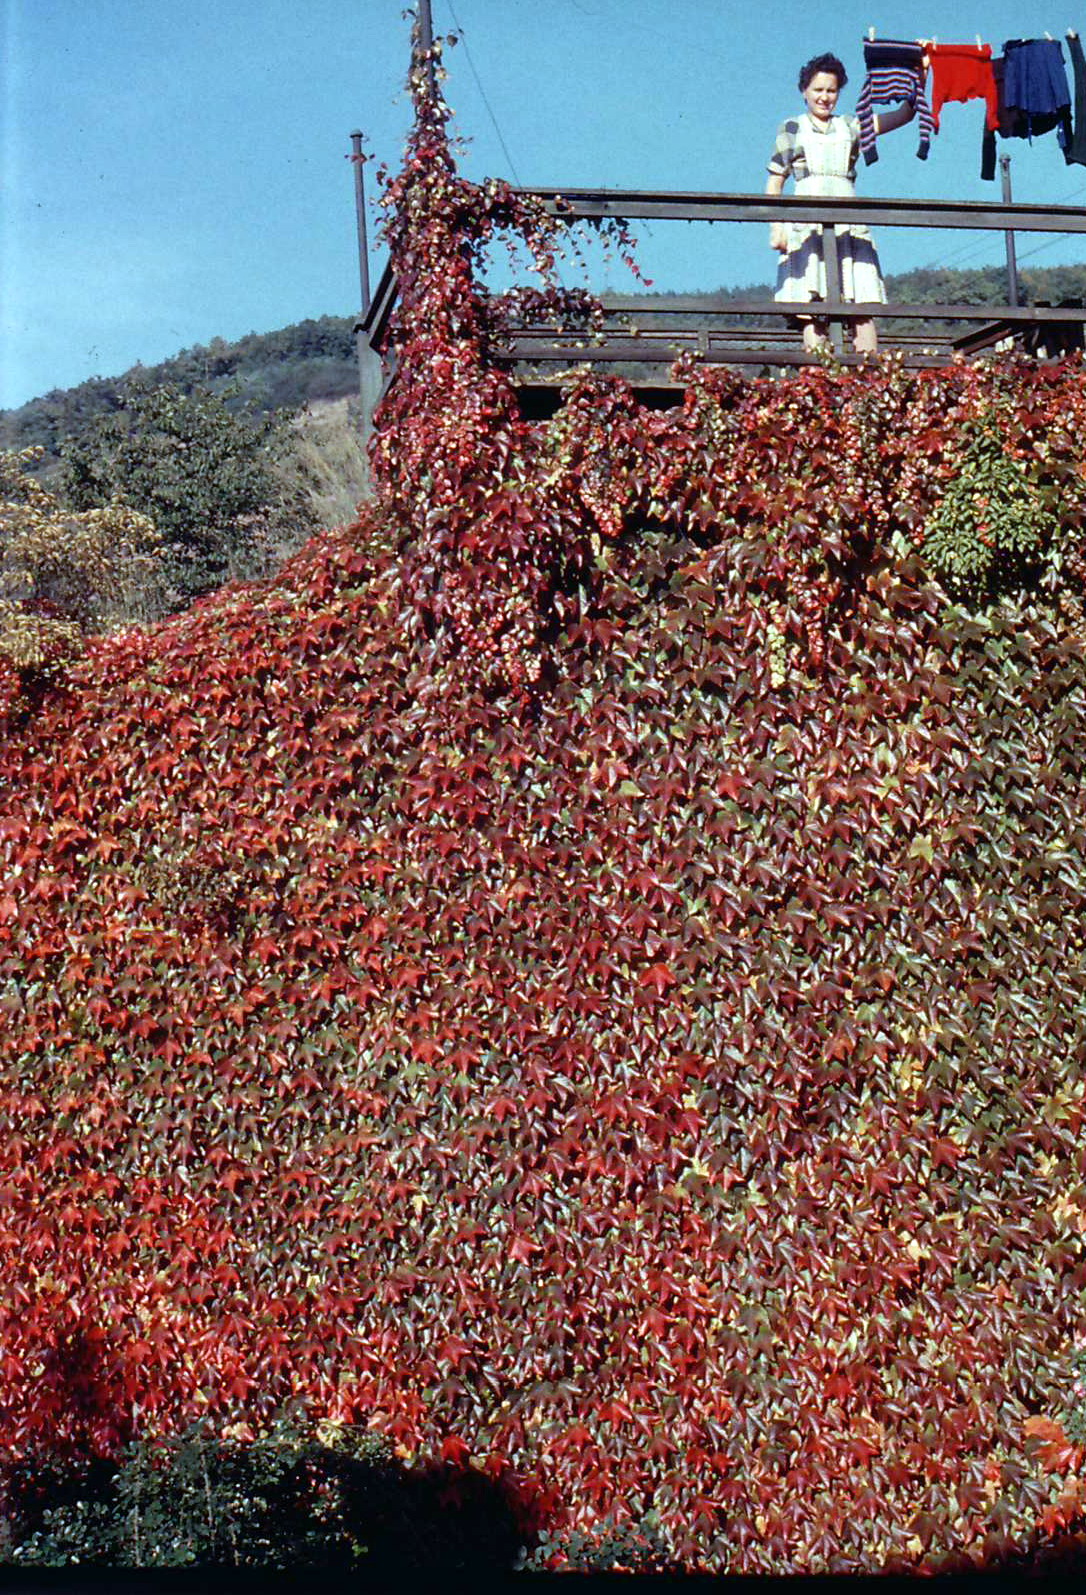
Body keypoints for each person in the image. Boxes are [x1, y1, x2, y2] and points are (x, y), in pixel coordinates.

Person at [765, 53, 916, 354]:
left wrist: (918, 77)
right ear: (805, 91)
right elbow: (775, 180)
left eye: (831, 90)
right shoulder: (792, 128)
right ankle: (819, 375)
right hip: (807, 218)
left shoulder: (851, 125)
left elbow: (904, 115)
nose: (824, 97)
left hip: (848, 216)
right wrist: (777, 226)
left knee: (860, 300)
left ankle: (869, 375)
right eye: (818, 90)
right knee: (812, 302)